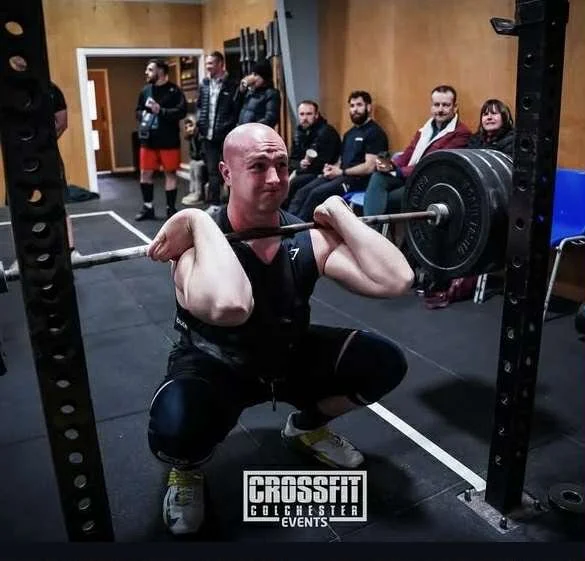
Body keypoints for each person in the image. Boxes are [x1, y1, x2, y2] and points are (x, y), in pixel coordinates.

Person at [146, 123, 414, 536]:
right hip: (217, 366)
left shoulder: (303, 236)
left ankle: (306, 428)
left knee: (383, 362)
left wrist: (340, 213)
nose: (275, 178)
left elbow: (396, 280)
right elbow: (231, 306)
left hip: (287, 357)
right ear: (226, 173)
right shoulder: (192, 247)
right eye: (258, 166)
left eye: (282, 165)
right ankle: (187, 470)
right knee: (175, 423)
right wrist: (197, 218)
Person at [363, 85, 472, 225]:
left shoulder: (461, 133)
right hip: (410, 177)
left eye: (445, 105)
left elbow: (431, 165)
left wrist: (398, 171)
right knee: (378, 177)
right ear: (431, 107)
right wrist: (390, 165)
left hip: (429, 182)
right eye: (436, 105)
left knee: (384, 199)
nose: (440, 109)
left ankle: (367, 231)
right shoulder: (425, 128)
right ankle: (369, 231)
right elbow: (408, 153)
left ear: (455, 107)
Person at [288, 91, 389, 221]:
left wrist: (342, 172)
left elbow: (369, 167)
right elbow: (341, 160)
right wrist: (331, 169)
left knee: (317, 194)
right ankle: (289, 225)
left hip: (359, 181)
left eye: (359, 105)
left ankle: (300, 229)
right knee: (303, 191)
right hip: (342, 175)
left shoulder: (375, 133)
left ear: (368, 107)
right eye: (352, 106)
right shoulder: (349, 134)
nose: (355, 109)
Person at [135, 59, 187, 221]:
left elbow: (181, 112)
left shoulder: (175, 91)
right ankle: (148, 207)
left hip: (169, 140)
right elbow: (138, 110)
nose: (146, 72)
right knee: (145, 173)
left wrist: (161, 111)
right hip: (148, 140)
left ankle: (170, 209)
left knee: (170, 174)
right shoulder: (145, 91)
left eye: (150, 70)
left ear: (161, 71)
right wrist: (144, 115)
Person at [196, 51, 239, 215]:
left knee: (231, 170)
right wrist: (200, 124)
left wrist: (229, 126)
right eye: (207, 63)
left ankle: (234, 204)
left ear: (221, 64)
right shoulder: (204, 84)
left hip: (226, 135)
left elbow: (236, 110)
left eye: (211, 63)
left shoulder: (232, 84)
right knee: (212, 171)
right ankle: (214, 204)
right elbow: (200, 106)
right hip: (208, 135)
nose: (208, 67)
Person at [283, 99, 341, 209]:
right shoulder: (299, 132)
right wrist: (299, 164)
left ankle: (289, 216)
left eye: (309, 114)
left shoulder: (327, 132)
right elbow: (292, 159)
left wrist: (299, 170)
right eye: (302, 114)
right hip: (303, 170)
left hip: (321, 172)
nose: (305, 118)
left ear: (316, 115)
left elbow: (325, 162)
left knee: (295, 184)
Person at [235, 60, 281, 128]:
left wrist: (253, 128)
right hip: (243, 131)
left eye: (255, 75)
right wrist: (241, 91)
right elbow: (235, 108)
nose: (252, 78)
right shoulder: (250, 92)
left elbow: (271, 118)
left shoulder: (271, 93)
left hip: (256, 132)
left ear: (263, 77)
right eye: (252, 74)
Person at [180, 115, 208, 207]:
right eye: (187, 127)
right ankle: (192, 191)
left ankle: (199, 194)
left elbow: (203, 153)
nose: (189, 129)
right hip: (196, 160)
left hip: (203, 160)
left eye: (191, 125)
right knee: (192, 164)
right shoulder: (191, 138)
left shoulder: (201, 137)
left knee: (197, 167)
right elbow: (192, 153)